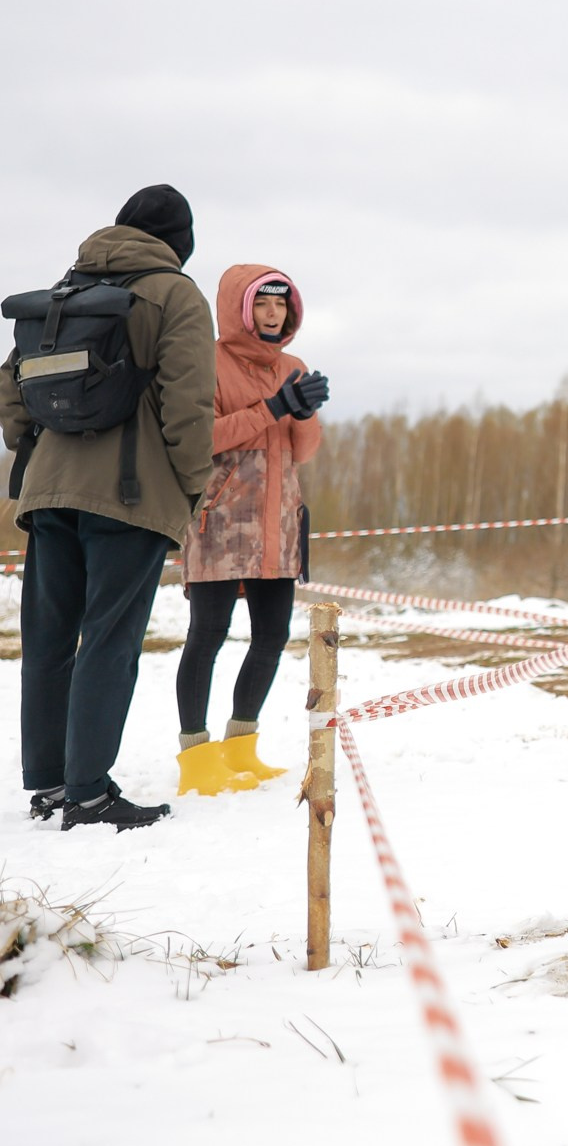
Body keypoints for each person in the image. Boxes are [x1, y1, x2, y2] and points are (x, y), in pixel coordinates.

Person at [1, 185, 216, 830]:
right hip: (130, 493)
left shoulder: (63, 291)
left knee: (48, 639)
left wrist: (34, 449)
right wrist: (191, 486)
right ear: (181, 241)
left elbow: (12, 389)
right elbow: (188, 404)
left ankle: (49, 785)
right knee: (109, 641)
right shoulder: (176, 294)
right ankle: (90, 793)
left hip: (47, 491)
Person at [174, 266, 329, 795]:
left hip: (278, 522)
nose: (272, 315)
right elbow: (202, 440)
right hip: (220, 519)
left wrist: (302, 413)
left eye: (280, 306)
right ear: (240, 309)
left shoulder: (293, 366)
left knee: (271, 638)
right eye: (261, 305)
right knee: (207, 636)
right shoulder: (208, 362)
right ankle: (196, 757)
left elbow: (303, 451)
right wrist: (272, 408)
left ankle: (241, 749)